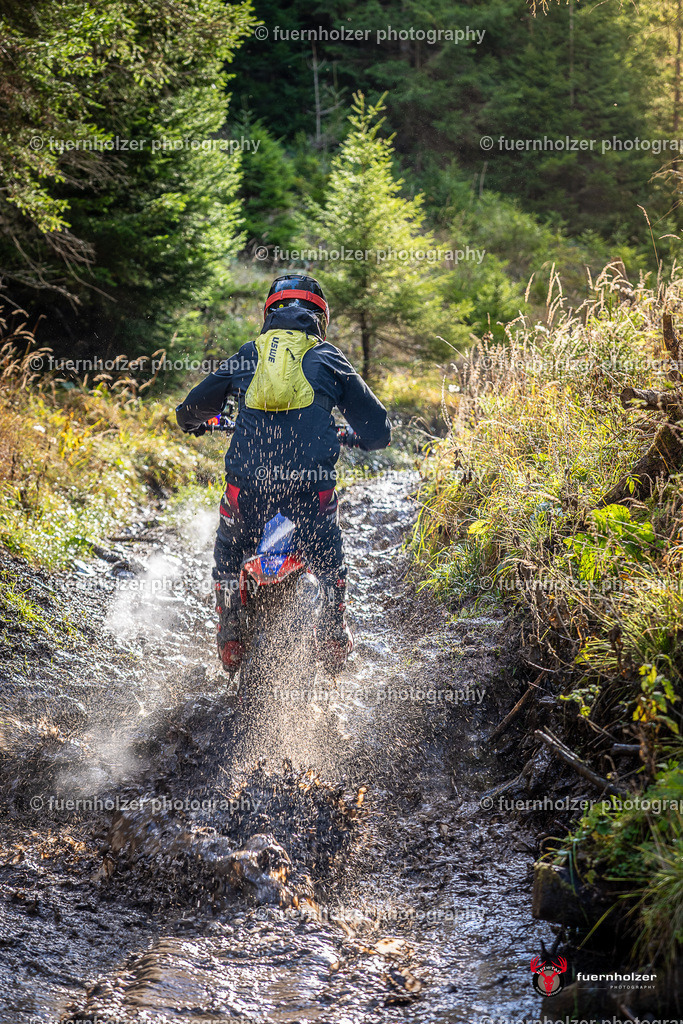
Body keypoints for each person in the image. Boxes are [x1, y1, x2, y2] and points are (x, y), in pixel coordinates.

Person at [176, 274, 391, 674]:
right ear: (319, 319)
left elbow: (190, 409)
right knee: (329, 558)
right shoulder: (329, 358)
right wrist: (355, 436)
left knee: (227, 552)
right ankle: (332, 633)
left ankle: (230, 632)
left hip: (248, 492)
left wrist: (193, 421)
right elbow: (379, 431)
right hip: (310, 495)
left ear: (268, 316)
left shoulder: (248, 355)